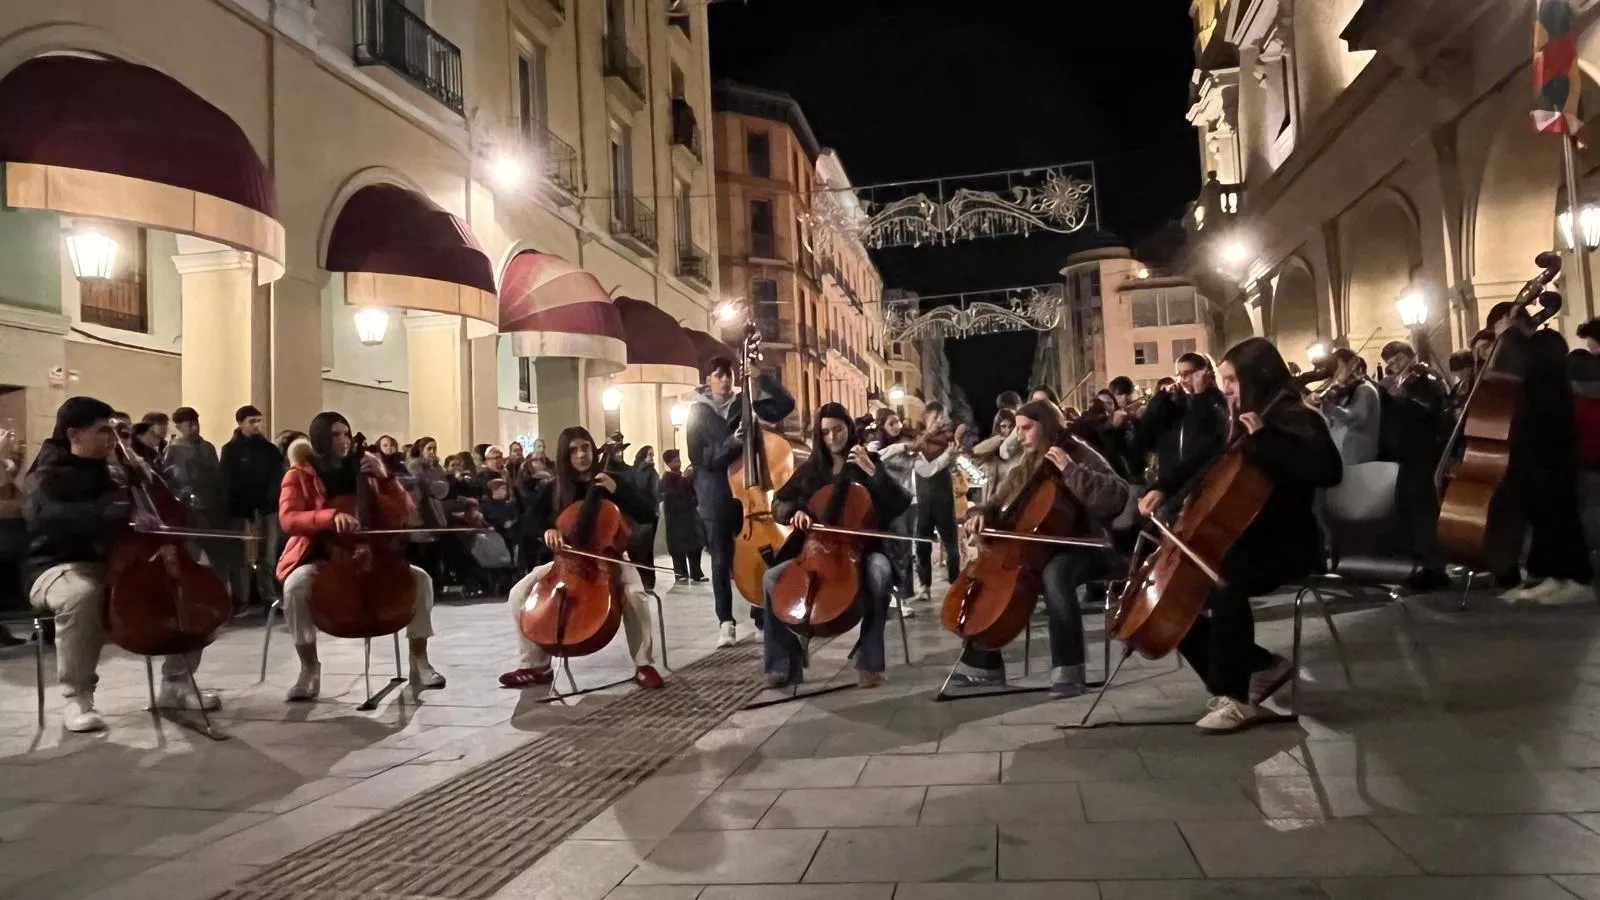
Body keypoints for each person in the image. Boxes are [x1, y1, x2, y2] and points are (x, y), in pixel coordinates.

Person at [1172, 337, 1343, 732]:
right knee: (1179, 594)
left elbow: (1328, 471)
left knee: (1224, 576)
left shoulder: (1297, 417)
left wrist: (1267, 439)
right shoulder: (1244, 417)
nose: (1226, 388)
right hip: (1248, 539)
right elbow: (1202, 459)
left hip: (1291, 544)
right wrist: (1164, 489)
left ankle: (1236, 698)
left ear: (1254, 376)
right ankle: (1258, 667)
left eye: (1231, 380)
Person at [25, 397, 224, 731]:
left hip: (119, 561)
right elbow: (45, 519)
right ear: (74, 434)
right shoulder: (46, 474)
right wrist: (113, 510)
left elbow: (167, 506)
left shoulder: (116, 467)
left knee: (188, 588)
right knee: (82, 595)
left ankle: (176, 683)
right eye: (103, 431)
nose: (112, 439)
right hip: (56, 564)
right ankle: (78, 698)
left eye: (116, 432)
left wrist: (152, 478)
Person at [952, 399, 1131, 696]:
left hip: (1090, 546)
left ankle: (1069, 669)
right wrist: (981, 514)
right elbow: (999, 500)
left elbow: (1116, 494)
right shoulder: (1029, 461)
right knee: (996, 575)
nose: (1019, 436)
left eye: (1026, 429)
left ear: (1045, 426)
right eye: (1018, 429)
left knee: (1055, 575)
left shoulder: (1077, 452)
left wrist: (1071, 471)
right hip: (1044, 546)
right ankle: (985, 662)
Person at [276, 412, 446, 702]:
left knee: (422, 581)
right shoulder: (299, 474)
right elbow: (288, 519)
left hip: (374, 553)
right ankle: (308, 669)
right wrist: (330, 517)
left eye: (346, 433)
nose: (343, 440)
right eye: (335, 435)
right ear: (319, 439)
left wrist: (386, 477)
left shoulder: (368, 469)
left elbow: (405, 511)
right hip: (323, 555)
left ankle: (420, 660)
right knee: (294, 587)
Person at [499, 426, 664, 689]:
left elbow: (647, 513)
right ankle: (535, 666)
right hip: (566, 562)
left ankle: (644, 663)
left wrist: (618, 490)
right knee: (519, 593)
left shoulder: (611, 480)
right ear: (565, 455)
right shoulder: (554, 487)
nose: (581, 455)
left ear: (592, 448)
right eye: (573, 450)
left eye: (585, 447)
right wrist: (547, 530)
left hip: (609, 561)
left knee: (635, 594)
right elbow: (527, 522)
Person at [761, 403, 911, 688]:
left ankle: (870, 661)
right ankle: (782, 662)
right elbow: (779, 502)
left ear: (849, 429)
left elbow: (899, 503)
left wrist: (871, 471)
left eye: (839, 430)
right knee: (771, 579)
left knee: (879, 574)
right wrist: (795, 512)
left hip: (863, 549)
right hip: (815, 551)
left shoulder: (869, 460)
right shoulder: (812, 469)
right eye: (826, 432)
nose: (833, 438)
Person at [685, 355, 795, 648]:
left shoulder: (744, 402)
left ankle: (761, 616)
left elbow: (785, 406)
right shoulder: (697, 413)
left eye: (729, 375)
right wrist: (732, 443)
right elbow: (700, 459)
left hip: (751, 494)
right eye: (718, 375)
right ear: (707, 379)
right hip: (715, 497)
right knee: (721, 561)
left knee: (760, 553)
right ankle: (726, 623)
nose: (725, 380)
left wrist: (761, 377)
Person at [1487, 301, 1592, 604]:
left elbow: (1523, 368)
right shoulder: (1521, 346)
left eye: (1500, 330)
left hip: (1553, 441)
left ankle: (1577, 579)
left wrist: (1510, 338)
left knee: (1560, 512)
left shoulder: (1546, 342)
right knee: (1542, 514)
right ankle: (1553, 576)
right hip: (1532, 441)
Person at [1378, 340, 1451, 589]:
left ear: (1410, 355)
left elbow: (1433, 408)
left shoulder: (1427, 377)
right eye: (1389, 362)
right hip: (1404, 454)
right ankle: (1420, 561)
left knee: (1423, 510)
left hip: (1423, 452)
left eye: (1397, 359)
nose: (1393, 366)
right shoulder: (1400, 382)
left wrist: (1403, 398)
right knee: (1409, 509)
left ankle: (1434, 566)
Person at [1135, 352, 1229, 519]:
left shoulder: (1215, 402)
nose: (1182, 380)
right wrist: (1160, 400)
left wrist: (1200, 394)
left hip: (1199, 490)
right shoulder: (1176, 405)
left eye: (1187, 374)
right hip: (1172, 489)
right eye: (1179, 374)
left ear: (1203, 373)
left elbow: (1205, 437)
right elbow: (1144, 437)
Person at [913, 402, 967, 599]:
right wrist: (947, 456)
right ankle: (924, 587)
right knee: (922, 546)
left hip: (944, 500)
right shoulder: (918, 442)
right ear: (925, 419)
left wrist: (954, 452)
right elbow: (926, 469)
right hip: (923, 500)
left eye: (940, 417)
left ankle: (955, 583)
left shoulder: (948, 440)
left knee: (952, 546)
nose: (938, 422)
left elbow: (953, 465)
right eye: (933, 418)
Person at [869, 409, 919, 613]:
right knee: (894, 549)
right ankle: (893, 595)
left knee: (908, 551)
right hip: (890, 504)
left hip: (910, 502)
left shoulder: (908, 446)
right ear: (882, 426)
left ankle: (904, 597)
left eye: (898, 422)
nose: (897, 426)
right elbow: (874, 457)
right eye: (892, 423)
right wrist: (900, 446)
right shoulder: (876, 446)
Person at [1318, 348, 1381, 465]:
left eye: (1338, 366)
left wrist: (1333, 409)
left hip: (1357, 457)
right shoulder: (1343, 391)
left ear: (1350, 366)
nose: (1335, 372)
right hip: (1342, 456)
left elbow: (1358, 418)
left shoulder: (1365, 389)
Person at [616, 446, 661, 591]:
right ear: (643, 456)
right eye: (649, 455)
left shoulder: (636, 470)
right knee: (645, 550)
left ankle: (644, 580)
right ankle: (647, 581)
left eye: (652, 455)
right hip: (645, 514)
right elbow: (653, 493)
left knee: (642, 549)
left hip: (641, 514)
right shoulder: (647, 472)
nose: (652, 457)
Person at [659, 449, 706, 582]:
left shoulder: (684, 476)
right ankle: (681, 574)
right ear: (668, 463)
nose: (678, 463)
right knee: (677, 549)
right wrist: (684, 480)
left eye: (678, 460)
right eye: (674, 461)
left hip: (690, 517)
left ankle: (697, 573)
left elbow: (693, 493)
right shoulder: (666, 479)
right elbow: (672, 495)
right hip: (675, 520)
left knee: (695, 546)